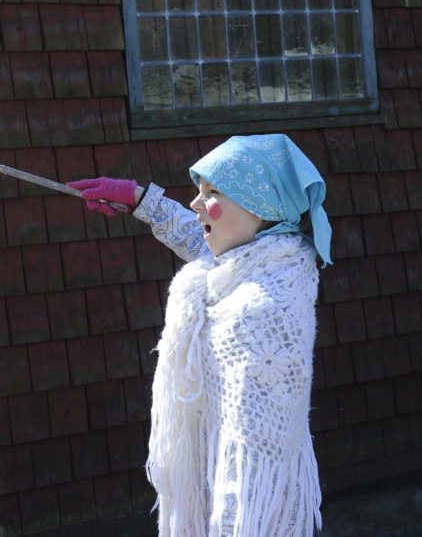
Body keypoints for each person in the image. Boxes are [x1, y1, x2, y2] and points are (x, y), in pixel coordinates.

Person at [69, 133, 331, 537]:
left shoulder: (266, 307)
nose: (195, 203)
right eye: (198, 190)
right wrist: (139, 199)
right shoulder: (254, 260)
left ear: (259, 207)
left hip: (250, 517)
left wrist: (228, 526)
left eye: (211, 192)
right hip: (211, 487)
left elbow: (256, 455)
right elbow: (201, 238)